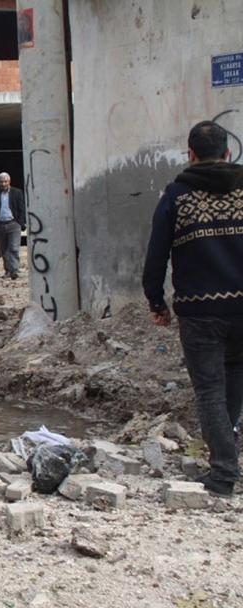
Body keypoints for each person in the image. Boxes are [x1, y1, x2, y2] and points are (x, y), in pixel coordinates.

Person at [143, 120, 243, 497]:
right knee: (234, 379)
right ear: (228, 153)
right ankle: (226, 456)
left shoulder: (176, 195)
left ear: (191, 155)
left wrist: (156, 301)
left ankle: (223, 472)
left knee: (210, 390)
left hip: (202, 311)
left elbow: (157, 255)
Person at [0, 172, 26, 279]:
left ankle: (14, 269)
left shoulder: (17, 192)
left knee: (13, 247)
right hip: (0, 224)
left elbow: (21, 208)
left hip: (13, 223)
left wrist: (20, 222)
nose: (3, 184)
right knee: (4, 249)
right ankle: (8, 270)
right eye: (1, 182)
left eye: (5, 181)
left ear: (9, 182)